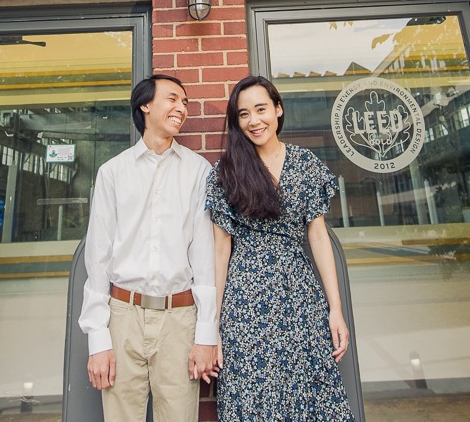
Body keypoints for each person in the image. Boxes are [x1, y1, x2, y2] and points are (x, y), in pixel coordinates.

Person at [206, 74, 355, 421]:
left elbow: (317, 237)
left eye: (261, 109)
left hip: (298, 293)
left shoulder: (306, 164)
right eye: (243, 114)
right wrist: (212, 325)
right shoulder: (226, 171)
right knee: (252, 392)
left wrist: (335, 308)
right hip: (245, 299)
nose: (254, 121)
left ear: (278, 109)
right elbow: (220, 249)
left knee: (310, 387)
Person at [79, 73, 220, 422]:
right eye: (172, 98)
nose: (181, 108)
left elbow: (204, 258)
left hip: (179, 318)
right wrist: (98, 338)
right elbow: (98, 258)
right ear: (145, 105)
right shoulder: (112, 172)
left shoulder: (199, 171)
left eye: (185, 102)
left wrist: (206, 334)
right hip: (122, 315)